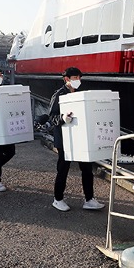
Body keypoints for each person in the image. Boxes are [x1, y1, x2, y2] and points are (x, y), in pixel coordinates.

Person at [48, 67, 105, 212]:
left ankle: (89, 199)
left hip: (80, 137)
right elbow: (51, 117)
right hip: (64, 138)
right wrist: (62, 118)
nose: (78, 81)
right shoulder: (59, 95)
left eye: (79, 78)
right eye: (75, 78)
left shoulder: (80, 94)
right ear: (66, 79)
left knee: (87, 168)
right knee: (63, 168)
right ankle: (58, 199)